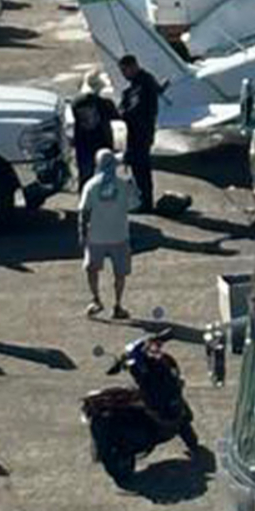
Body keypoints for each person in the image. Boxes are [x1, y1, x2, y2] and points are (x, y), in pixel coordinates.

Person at [79, 148, 135, 319]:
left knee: (92, 269)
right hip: (119, 235)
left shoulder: (91, 185)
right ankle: (118, 305)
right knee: (120, 273)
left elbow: (84, 211)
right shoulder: (123, 184)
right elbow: (133, 205)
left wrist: (82, 233)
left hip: (96, 236)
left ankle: (96, 299)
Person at [129, 335, 200, 453]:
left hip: (158, 399)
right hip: (156, 398)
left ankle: (190, 442)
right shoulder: (154, 366)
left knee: (177, 414)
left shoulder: (150, 367)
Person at [117, 54, 161, 213]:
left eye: (125, 71)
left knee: (141, 168)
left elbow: (134, 110)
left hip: (141, 132)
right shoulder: (141, 82)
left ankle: (145, 202)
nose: (124, 75)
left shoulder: (142, 84)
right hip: (139, 132)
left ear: (133, 67)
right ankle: (143, 199)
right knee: (138, 167)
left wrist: (121, 112)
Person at [70, 71, 117, 189]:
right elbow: (117, 116)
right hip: (102, 144)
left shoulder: (75, 102)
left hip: (83, 145)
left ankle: (85, 203)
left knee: (85, 177)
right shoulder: (105, 104)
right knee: (106, 176)